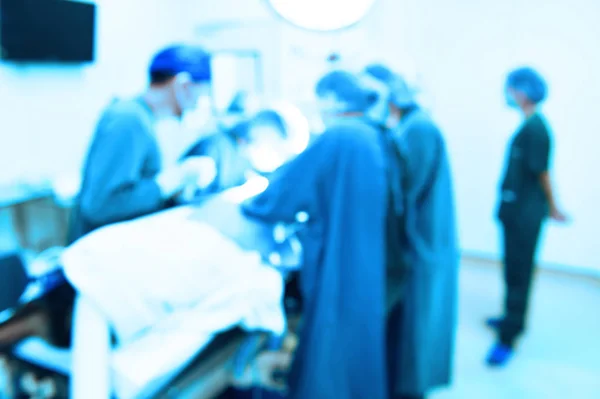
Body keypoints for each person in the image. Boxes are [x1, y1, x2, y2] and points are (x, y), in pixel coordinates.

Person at [242, 70, 389, 399]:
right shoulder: (371, 134)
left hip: (342, 255)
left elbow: (284, 193)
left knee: (332, 336)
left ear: (332, 100)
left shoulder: (339, 137)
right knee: (357, 336)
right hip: (367, 254)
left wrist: (250, 203)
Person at [365, 64, 459, 399]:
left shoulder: (418, 130)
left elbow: (405, 189)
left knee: (417, 327)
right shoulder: (412, 126)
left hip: (421, 245)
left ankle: (409, 390)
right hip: (421, 242)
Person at [69, 44, 217, 244]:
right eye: (201, 95)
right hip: (99, 254)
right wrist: (167, 182)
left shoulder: (142, 118)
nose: (199, 104)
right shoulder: (128, 119)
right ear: (183, 85)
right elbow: (99, 206)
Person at [486, 67, 568, 366]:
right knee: (512, 270)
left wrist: (554, 206)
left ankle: (508, 338)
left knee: (519, 274)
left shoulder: (537, 129)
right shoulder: (529, 125)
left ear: (521, 92)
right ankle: (510, 319)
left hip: (525, 215)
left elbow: (542, 172)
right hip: (514, 211)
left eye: (510, 89)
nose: (508, 95)